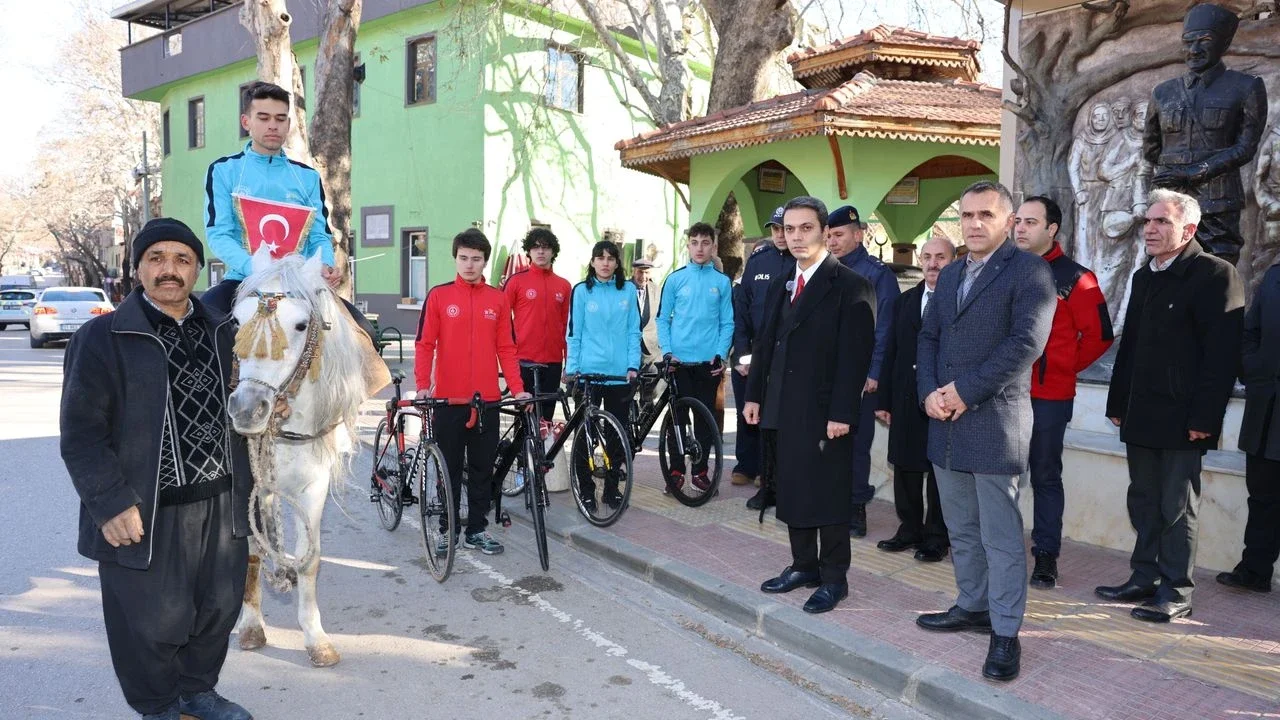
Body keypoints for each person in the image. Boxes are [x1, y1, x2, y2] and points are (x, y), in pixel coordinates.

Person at [60, 218, 253, 720]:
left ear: (196, 270)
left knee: (217, 609)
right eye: (157, 259)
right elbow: (81, 434)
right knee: (146, 621)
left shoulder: (226, 331)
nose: (170, 270)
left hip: (222, 500)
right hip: (144, 508)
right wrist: (109, 501)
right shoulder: (103, 336)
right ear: (138, 268)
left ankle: (197, 690)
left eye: (182, 260)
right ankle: (159, 705)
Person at [915, 181, 1056, 682]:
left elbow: (1025, 345)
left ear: (1009, 220)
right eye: (967, 215)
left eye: (985, 215)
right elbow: (928, 337)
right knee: (961, 528)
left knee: (1000, 537)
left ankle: (1004, 632)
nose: (974, 224)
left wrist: (962, 392)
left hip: (994, 423)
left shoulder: (1030, 271)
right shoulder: (950, 274)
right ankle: (971, 605)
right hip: (944, 424)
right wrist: (929, 391)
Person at [1100, 188, 1244, 621]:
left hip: (1184, 419)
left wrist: (1205, 418)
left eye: (1162, 221)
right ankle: (1143, 577)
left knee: (1177, 507)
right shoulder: (1144, 276)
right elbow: (1130, 347)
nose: (1151, 228)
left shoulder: (1216, 274)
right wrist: (1117, 400)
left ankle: (1176, 592)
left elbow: (1222, 357)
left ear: (1189, 228)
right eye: (1148, 221)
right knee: (1143, 498)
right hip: (1140, 412)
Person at [744, 196, 876, 614]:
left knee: (830, 495)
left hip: (825, 413)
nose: (796, 237)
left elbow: (855, 358)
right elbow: (766, 343)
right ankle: (804, 565)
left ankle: (834, 577)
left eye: (806, 228)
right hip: (783, 406)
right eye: (789, 229)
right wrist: (754, 397)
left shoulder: (852, 285)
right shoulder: (785, 279)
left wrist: (842, 413)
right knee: (792, 488)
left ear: (824, 233)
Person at [201, 81, 376, 344]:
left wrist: (325, 265)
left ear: (288, 123)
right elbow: (219, 234)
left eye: (281, 119)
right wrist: (257, 268)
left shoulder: (306, 177)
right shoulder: (224, 171)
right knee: (201, 327)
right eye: (264, 117)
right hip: (242, 279)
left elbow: (319, 235)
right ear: (246, 121)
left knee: (365, 335)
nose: (273, 125)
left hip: (301, 282)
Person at [1012, 196, 1113, 589]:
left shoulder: (1075, 277)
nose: (1020, 228)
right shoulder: (1005, 270)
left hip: (1049, 398)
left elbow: (1101, 335)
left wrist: (1063, 366)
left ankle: (1045, 557)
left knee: (1045, 477)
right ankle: (996, 550)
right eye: (1017, 221)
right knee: (996, 475)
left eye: (1030, 222)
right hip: (1001, 394)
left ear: (1051, 229)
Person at [415, 229, 532, 557]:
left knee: (483, 469)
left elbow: (507, 349)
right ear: (456, 258)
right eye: (464, 258)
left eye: (476, 259)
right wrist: (423, 385)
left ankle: (477, 530)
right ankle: (448, 530)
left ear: (484, 261)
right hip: (448, 401)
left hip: (487, 402)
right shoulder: (439, 296)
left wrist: (519, 390)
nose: (469, 264)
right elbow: (425, 344)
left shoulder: (498, 298)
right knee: (448, 469)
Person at [1143, 3, 1267, 264]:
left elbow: (1245, 147)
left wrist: (1193, 172)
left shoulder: (1246, 87)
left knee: (1217, 272)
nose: (1194, 50)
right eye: (1188, 42)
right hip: (1170, 201)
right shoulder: (1163, 92)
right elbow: (1151, 147)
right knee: (1165, 270)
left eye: (1205, 41)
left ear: (1223, 43)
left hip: (1218, 204)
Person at [875, 237, 954, 563]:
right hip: (906, 399)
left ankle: (937, 536)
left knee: (938, 473)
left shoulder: (959, 300)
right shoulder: (905, 300)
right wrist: (885, 399)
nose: (933, 263)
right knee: (905, 467)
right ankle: (909, 528)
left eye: (941, 257)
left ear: (953, 261)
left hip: (943, 401)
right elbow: (891, 350)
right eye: (928, 257)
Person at [826, 204, 899, 537]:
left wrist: (875, 372)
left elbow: (885, 328)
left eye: (839, 235)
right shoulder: (822, 271)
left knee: (856, 443)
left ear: (859, 234)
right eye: (828, 235)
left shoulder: (876, 274)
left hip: (859, 376)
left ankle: (855, 506)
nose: (832, 241)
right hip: (824, 374)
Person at [655, 222, 734, 491]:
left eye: (705, 243)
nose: (700, 248)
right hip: (678, 364)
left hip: (707, 366)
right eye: (695, 243)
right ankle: (676, 471)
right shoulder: (675, 279)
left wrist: (720, 355)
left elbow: (728, 323)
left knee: (705, 421)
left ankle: (700, 472)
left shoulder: (722, 282)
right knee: (677, 419)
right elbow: (663, 319)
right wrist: (667, 352)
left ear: (714, 246)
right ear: (688, 245)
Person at [565, 240, 642, 511]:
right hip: (588, 374)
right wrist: (572, 370)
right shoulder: (582, 291)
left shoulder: (629, 290)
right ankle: (586, 491)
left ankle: (611, 490)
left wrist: (633, 366)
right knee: (585, 437)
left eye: (611, 258)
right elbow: (574, 334)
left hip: (620, 376)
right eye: (601, 258)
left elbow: (634, 331)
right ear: (593, 261)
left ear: (618, 263)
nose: (606, 263)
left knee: (617, 438)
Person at [1221, 257, 1280, 593]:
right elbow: (1250, 332)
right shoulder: (1274, 276)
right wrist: (1254, 370)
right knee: (1262, 495)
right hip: (1267, 408)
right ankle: (1254, 570)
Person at [731, 206, 793, 503]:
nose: (780, 235)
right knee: (749, 412)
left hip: (785, 357)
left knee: (777, 417)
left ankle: (770, 475)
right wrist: (742, 353)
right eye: (775, 229)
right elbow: (742, 310)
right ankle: (747, 464)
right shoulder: (758, 261)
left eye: (785, 228)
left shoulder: (802, 263)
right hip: (754, 352)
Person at [503, 227, 571, 420]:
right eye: (535, 247)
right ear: (529, 252)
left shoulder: (564, 285)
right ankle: (520, 451)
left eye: (546, 247)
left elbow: (567, 326)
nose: (541, 252)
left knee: (545, 419)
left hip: (553, 361)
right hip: (523, 360)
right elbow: (502, 321)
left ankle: (542, 451)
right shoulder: (516, 282)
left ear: (553, 252)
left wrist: (569, 362)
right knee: (524, 419)